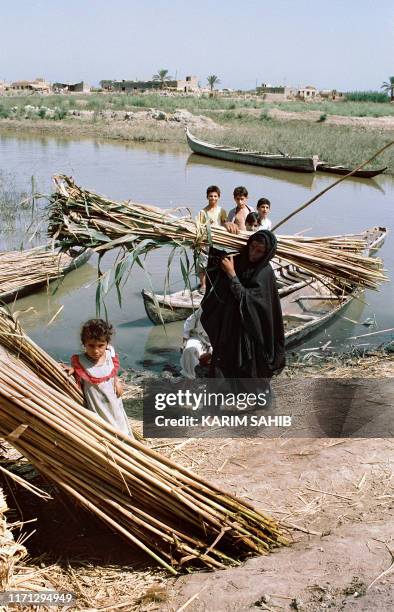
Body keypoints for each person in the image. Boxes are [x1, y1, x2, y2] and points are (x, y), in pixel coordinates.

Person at [201, 230, 285, 379]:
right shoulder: (241, 260)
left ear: (267, 253)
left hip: (251, 333)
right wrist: (225, 227)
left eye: (259, 251)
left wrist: (232, 275)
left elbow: (248, 301)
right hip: (229, 328)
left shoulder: (265, 272)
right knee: (221, 372)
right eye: (252, 247)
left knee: (249, 376)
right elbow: (217, 256)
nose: (253, 254)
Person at [70, 319, 133, 437]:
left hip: (113, 398)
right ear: (84, 344)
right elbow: (78, 372)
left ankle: (126, 442)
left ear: (107, 344)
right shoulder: (80, 361)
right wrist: (73, 371)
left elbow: (112, 370)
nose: (96, 350)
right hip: (97, 403)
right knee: (106, 428)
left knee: (119, 420)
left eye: (100, 345)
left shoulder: (110, 353)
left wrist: (117, 380)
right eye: (91, 346)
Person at [196, 186, 228, 292]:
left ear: (218, 197)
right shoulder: (202, 212)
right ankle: (203, 285)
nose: (213, 198)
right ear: (207, 197)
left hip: (218, 241)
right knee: (202, 263)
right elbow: (199, 228)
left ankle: (216, 284)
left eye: (215, 196)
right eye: (210, 196)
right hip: (205, 241)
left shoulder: (222, 211)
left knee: (218, 263)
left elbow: (225, 224)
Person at [180, 307, 211, 379]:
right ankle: (190, 376)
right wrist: (184, 343)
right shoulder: (204, 307)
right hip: (199, 338)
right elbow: (188, 323)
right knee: (189, 351)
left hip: (217, 342)